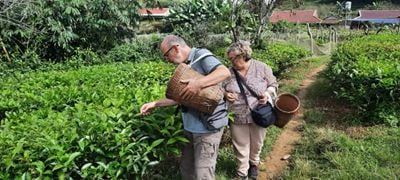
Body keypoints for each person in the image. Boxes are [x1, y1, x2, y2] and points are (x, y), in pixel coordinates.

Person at [140, 35, 231, 180]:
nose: (167, 59)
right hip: (189, 129)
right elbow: (180, 97)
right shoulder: (185, 64)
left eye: (166, 54)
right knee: (187, 171)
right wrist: (155, 104)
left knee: (203, 175)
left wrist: (199, 84)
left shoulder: (201, 56)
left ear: (175, 48)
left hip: (207, 129)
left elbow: (224, 72)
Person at [223, 41, 278, 180]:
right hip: (237, 113)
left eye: (234, 58)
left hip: (259, 112)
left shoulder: (261, 67)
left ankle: (254, 163)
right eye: (230, 59)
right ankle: (242, 172)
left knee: (257, 142)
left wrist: (266, 94)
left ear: (244, 55)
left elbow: (273, 84)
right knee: (240, 144)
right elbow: (219, 87)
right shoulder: (228, 72)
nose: (232, 62)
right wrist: (225, 94)